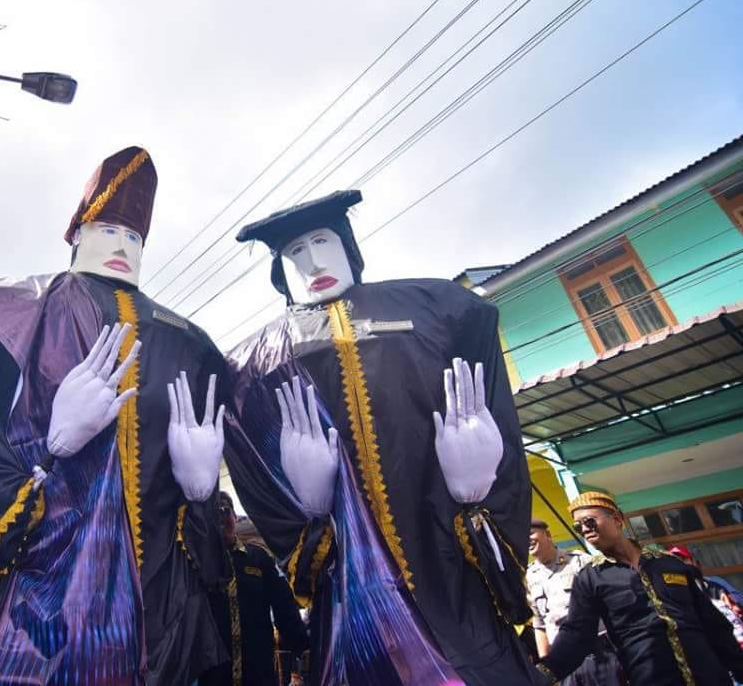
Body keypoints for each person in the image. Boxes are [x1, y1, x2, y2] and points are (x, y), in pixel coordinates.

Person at [0, 146, 230, 686]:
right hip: (33, 601)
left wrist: (201, 494)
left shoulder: (189, 344)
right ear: (76, 232)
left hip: (156, 608)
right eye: (106, 228)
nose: (121, 246)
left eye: (133, 237)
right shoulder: (0, 312)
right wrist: (53, 448)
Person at [224, 190, 534, 684]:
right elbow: (249, 457)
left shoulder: (439, 309)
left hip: (454, 587)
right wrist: (307, 504)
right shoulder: (253, 364)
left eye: (324, 242)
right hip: (357, 615)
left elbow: (490, 403)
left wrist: (478, 494)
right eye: (294, 254)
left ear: (349, 246)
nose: (313, 263)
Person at [534, 491, 743, 685]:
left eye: (589, 521)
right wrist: (542, 673)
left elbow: (714, 624)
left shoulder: (670, 564)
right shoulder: (590, 578)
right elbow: (576, 634)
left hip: (709, 675)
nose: (585, 529)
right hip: (652, 678)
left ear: (617, 519)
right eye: (578, 527)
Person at [199, 492, 309, 686]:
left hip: (259, 672)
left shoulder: (259, 557)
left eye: (225, 510)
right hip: (215, 674)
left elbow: (284, 607)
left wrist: (303, 647)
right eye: (213, 513)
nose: (221, 518)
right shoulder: (199, 564)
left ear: (234, 516)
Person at [527, 520, 620, 685]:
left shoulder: (580, 561)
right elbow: (539, 624)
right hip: (561, 659)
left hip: (597, 652)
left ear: (548, 534)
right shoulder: (529, 576)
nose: (527, 540)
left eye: (531, 533)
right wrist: (547, 666)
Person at [669, 545, 743, 647]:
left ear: (694, 562)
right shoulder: (674, 593)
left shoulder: (715, 583)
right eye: (676, 562)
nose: (682, 565)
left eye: (684, 559)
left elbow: (739, 601)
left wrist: (731, 601)